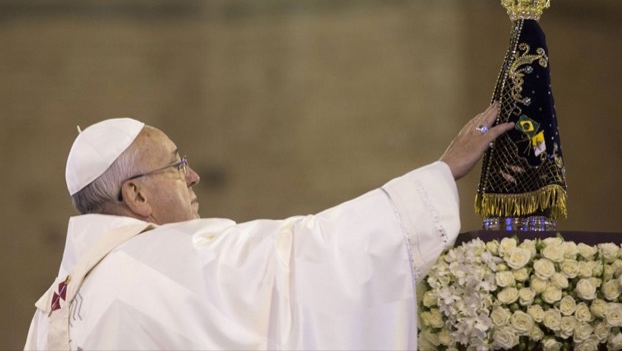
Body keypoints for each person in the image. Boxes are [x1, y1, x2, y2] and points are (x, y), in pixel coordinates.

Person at [25, 103, 513, 351]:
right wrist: (439, 174)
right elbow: (299, 256)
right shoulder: (168, 261)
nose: (193, 176)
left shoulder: (54, 307)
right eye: (176, 166)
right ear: (136, 196)